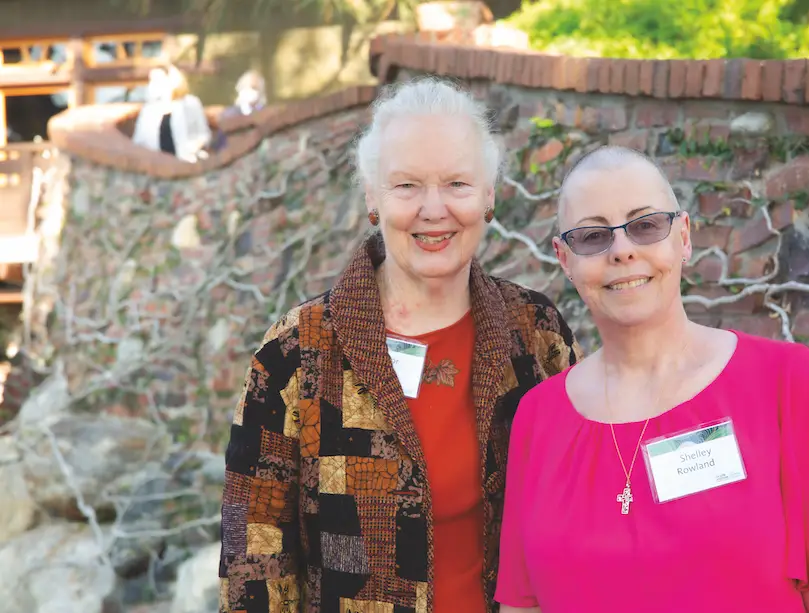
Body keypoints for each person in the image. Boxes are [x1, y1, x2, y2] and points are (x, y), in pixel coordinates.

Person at [217, 77, 582, 613]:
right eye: (407, 185)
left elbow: (576, 517)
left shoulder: (534, 335)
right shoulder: (298, 353)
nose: (433, 210)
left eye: (457, 183)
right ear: (372, 196)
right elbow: (254, 561)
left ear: (489, 195)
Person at [495, 146, 809, 613]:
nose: (623, 250)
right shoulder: (539, 416)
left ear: (683, 237)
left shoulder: (788, 386)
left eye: (646, 226)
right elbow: (522, 606)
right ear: (564, 259)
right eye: (592, 236)